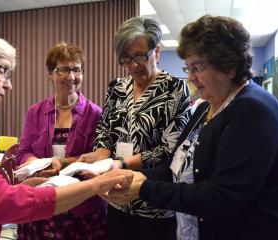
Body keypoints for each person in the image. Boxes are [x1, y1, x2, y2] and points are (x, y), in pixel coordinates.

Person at [0, 30, 132, 240]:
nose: (9, 85)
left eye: (77, 69)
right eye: (3, 71)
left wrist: (30, 185)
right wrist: (96, 185)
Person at [103, 15, 278, 240]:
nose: (191, 77)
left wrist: (144, 188)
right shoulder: (205, 108)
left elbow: (223, 195)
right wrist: (132, 176)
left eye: (197, 67)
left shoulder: (253, 109)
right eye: (187, 68)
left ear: (229, 66)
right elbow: (175, 168)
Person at [78, 17, 191, 240]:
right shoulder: (117, 87)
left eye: (140, 56)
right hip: (117, 198)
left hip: (154, 202)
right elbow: (105, 127)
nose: (133, 65)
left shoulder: (176, 89)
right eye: (126, 58)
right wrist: (101, 151)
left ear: (156, 52)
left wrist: (121, 163)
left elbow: (170, 149)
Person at [16, 42, 107, 239]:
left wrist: (62, 163)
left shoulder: (95, 113)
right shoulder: (35, 112)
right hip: (41, 200)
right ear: (50, 73)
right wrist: (34, 164)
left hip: (82, 207)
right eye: (64, 70)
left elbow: (100, 158)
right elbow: (23, 151)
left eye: (77, 69)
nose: (72, 77)